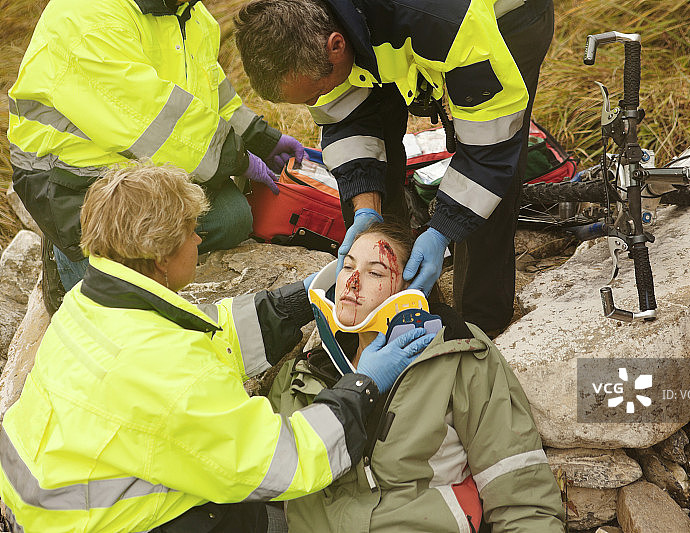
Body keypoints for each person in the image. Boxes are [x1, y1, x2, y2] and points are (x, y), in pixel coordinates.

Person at [0, 161, 435, 533]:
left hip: (43, 510)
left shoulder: (89, 301)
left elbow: (209, 333)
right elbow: (287, 460)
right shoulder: (177, 377)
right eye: (191, 231)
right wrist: (366, 383)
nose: (199, 240)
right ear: (160, 260)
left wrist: (300, 298)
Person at [234, 0, 555, 336]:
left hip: (497, 19)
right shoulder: (307, 28)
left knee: (489, 177)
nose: (318, 104)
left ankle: (479, 328)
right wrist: (365, 208)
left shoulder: (443, 21)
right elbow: (347, 116)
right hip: (388, 26)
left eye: (316, 93)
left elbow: (491, 148)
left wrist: (443, 230)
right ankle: (402, 311)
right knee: (370, 187)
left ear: (337, 45)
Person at [268, 221, 566, 532]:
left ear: (410, 292)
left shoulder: (459, 356)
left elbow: (520, 495)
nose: (352, 283)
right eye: (348, 266)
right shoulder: (301, 373)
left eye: (376, 272)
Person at [7, 0, 306, 299]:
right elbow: (149, 119)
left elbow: (209, 88)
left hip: (139, 161)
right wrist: (236, 158)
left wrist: (257, 136)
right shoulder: (87, 17)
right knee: (110, 294)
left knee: (232, 217)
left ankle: (144, 263)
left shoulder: (190, 13)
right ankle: (68, 261)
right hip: (71, 177)